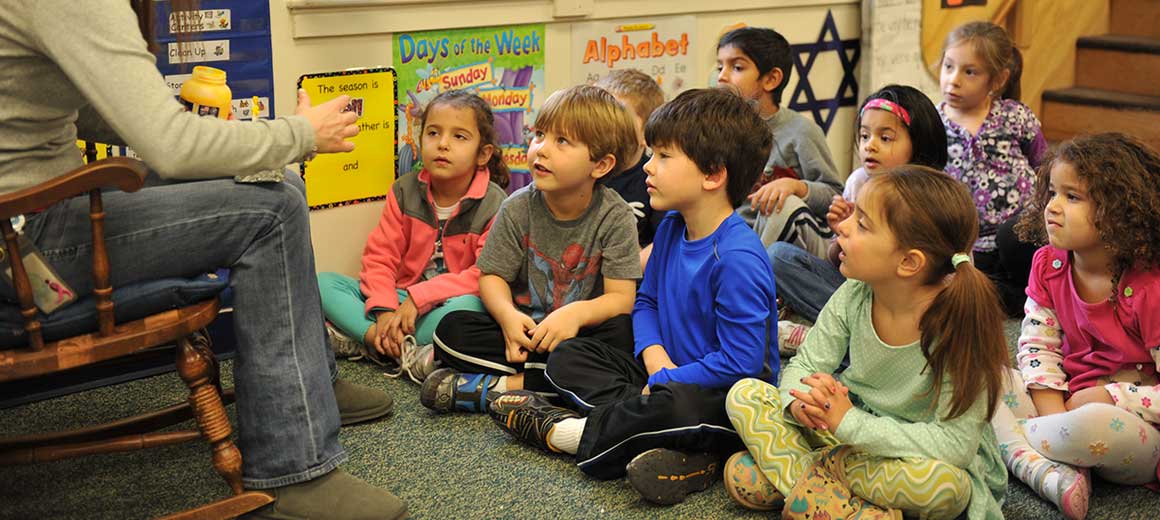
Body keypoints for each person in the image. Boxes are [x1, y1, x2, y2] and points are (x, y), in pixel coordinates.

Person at [0, 1, 406, 518]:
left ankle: (308, 392)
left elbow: (88, 108)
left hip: (31, 219)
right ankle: (295, 466)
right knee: (274, 212)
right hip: (25, 247)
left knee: (277, 181)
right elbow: (171, 147)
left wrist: (210, 131)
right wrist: (301, 133)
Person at [487, 87, 779, 506]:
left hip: (721, 398)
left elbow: (740, 364)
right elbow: (646, 303)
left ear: (713, 175)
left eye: (663, 156)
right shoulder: (673, 225)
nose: (647, 166)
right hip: (663, 372)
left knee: (679, 408)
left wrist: (666, 380)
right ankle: (681, 450)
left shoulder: (737, 258)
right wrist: (655, 359)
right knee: (570, 355)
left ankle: (569, 434)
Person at [725, 166, 1010, 519]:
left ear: (908, 262)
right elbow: (807, 364)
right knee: (745, 395)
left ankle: (801, 479)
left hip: (915, 455)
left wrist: (849, 423)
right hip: (846, 435)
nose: (842, 227)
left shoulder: (960, 329)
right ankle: (843, 502)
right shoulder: (855, 293)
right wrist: (800, 403)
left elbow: (954, 445)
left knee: (945, 487)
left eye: (861, 224)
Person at [418, 85, 641, 413]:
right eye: (539, 135)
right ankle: (556, 384)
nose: (541, 149)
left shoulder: (616, 216)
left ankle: (503, 387)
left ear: (600, 165)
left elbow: (621, 299)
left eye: (561, 141)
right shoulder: (517, 207)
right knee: (450, 331)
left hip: (577, 340)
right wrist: (507, 317)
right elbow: (491, 276)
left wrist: (575, 315)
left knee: (624, 337)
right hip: (523, 334)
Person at [990, 133, 1160, 520]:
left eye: (1072, 196)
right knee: (980, 377)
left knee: (1092, 424)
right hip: (1061, 403)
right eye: (1052, 192)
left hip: (1132, 429)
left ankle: (1013, 447)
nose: (1051, 206)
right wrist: (1052, 409)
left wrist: (1112, 397)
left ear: (1118, 212)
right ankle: (1052, 463)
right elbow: (1037, 346)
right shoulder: (1048, 264)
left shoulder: (1151, 290)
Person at [318, 90, 508, 383]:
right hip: (401, 299)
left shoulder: (495, 204)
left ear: (483, 153)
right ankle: (389, 343)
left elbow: (482, 275)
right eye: (433, 133)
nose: (442, 144)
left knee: (473, 309)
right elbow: (380, 258)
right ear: (420, 141)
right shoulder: (404, 191)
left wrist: (421, 299)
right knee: (322, 284)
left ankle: (368, 341)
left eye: (459, 136)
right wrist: (384, 310)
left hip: (447, 304)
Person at [769, 84, 947, 355]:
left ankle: (829, 344)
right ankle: (842, 341)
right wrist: (842, 234)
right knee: (779, 257)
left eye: (885, 138)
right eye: (864, 135)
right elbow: (840, 264)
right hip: (861, 293)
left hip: (911, 305)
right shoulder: (859, 182)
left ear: (919, 144)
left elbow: (934, 280)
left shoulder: (933, 197)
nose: (869, 145)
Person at [939, 21, 1047, 316]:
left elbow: (1043, 166)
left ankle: (1035, 292)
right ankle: (1009, 297)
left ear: (998, 80)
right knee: (958, 283)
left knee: (1015, 238)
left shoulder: (1015, 116)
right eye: (948, 67)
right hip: (968, 246)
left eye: (969, 72)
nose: (953, 80)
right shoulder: (933, 123)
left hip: (1020, 236)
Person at [714, 27, 843, 256]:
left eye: (737, 67)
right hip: (733, 235)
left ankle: (750, 267)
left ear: (771, 79)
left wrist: (796, 187)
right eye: (719, 67)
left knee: (782, 206)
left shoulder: (801, 132)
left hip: (786, 245)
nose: (722, 76)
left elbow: (834, 195)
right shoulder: (717, 129)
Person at [593, 69, 667, 266]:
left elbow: (665, 244)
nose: (604, 126)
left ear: (646, 134)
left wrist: (626, 267)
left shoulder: (655, 178)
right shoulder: (584, 171)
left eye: (619, 118)